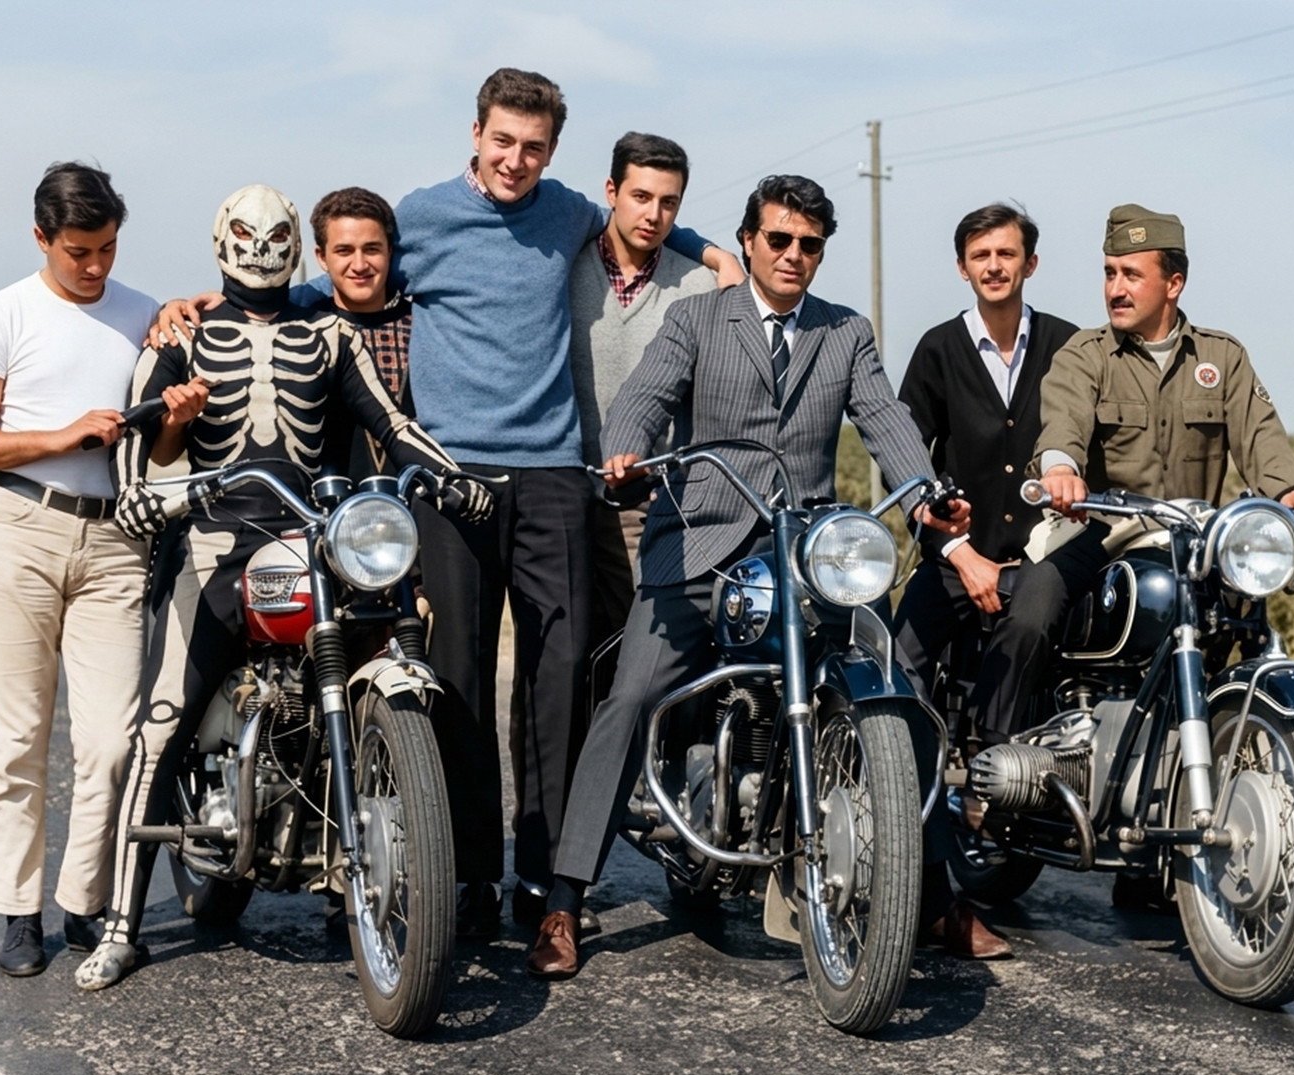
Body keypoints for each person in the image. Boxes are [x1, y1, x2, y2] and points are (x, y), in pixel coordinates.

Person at [152, 71, 743, 939]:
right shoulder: (423, 216)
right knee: (455, 677)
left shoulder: (566, 212)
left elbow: (636, 218)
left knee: (558, 677)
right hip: (449, 475)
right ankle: (467, 876)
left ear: (552, 151)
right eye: (502, 141)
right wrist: (221, 304)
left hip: (553, 472)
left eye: (533, 147)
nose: (515, 160)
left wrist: (713, 252)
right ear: (475, 134)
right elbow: (348, 283)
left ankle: (543, 883)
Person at [528, 174, 970, 979]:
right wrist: (624, 450)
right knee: (631, 696)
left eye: (810, 245)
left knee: (894, 686)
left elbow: (886, 421)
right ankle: (564, 898)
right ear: (750, 242)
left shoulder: (844, 331)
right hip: (701, 541)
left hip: (803, 553)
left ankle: (937, 894)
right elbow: (644, 398)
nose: (793, 255)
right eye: (779, 239)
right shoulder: (698, 319)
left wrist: (926, 496)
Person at [75, 184, 488, 991]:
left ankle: (349, 854)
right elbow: (136, 421)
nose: (261, 248)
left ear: (297, 245)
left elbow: (392, 423)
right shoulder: (186, 334)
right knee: (161, 725)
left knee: (360, 659)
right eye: (246, 234)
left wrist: (451, 477)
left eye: (275, 236)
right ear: (221, 240)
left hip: (309, 538)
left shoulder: (330, 334)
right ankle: (123, 925)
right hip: (211, 543)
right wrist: (134, 493)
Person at [0, 162, 205, 977]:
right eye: (79, 251)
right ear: (41, 239)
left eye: (108, 248)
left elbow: (161, 452)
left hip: (117, 542)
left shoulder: (143, 314)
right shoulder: (2, 314)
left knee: (114, 743)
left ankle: (84, 903)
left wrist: (176, 423)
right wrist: (62, 436)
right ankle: (19, 915)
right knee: (18, 739)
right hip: (19, 530)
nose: (95, 266)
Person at [1015, 204, 1294, 756]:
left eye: (1131, 274)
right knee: (1031, 613)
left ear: (1174, 283)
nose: (1115, 288)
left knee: (1244, 617)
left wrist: (1290, 492)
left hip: (1193, 538)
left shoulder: (1221, 357)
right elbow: (1063, 423)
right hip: (1101, 531)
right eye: (1109, 273)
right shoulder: (1086, 355)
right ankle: (1002, 749)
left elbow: (1259, 435)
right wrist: (1061, 470)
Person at [888, 202, 1079, 959]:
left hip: (1038, 553)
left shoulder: (1067, 345)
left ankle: (993, 777)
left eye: (1007, 253)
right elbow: (907, 457)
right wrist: (956, 549)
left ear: (1030, 263)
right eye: (980, 255)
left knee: (1035, 611)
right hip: (955, 553)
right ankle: (900, 813)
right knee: (895, 661)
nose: (994, 266)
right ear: (962, 267)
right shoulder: (938, 349)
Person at [571, 132, 719, 643]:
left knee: (641, 651)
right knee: (557, 664)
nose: (654, 215)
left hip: (646, 503)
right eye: (640, 196)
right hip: (563, 497)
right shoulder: (565, 268)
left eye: (668, 203)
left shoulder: (699, 286)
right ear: (611, 191)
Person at [302, 186, 413, 476]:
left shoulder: (425, 328)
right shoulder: (302, 331)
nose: (360, 264)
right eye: (344, 251)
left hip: (417, 498)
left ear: (390, 251)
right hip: (321, 500)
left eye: (372, 249)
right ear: (321, 257)